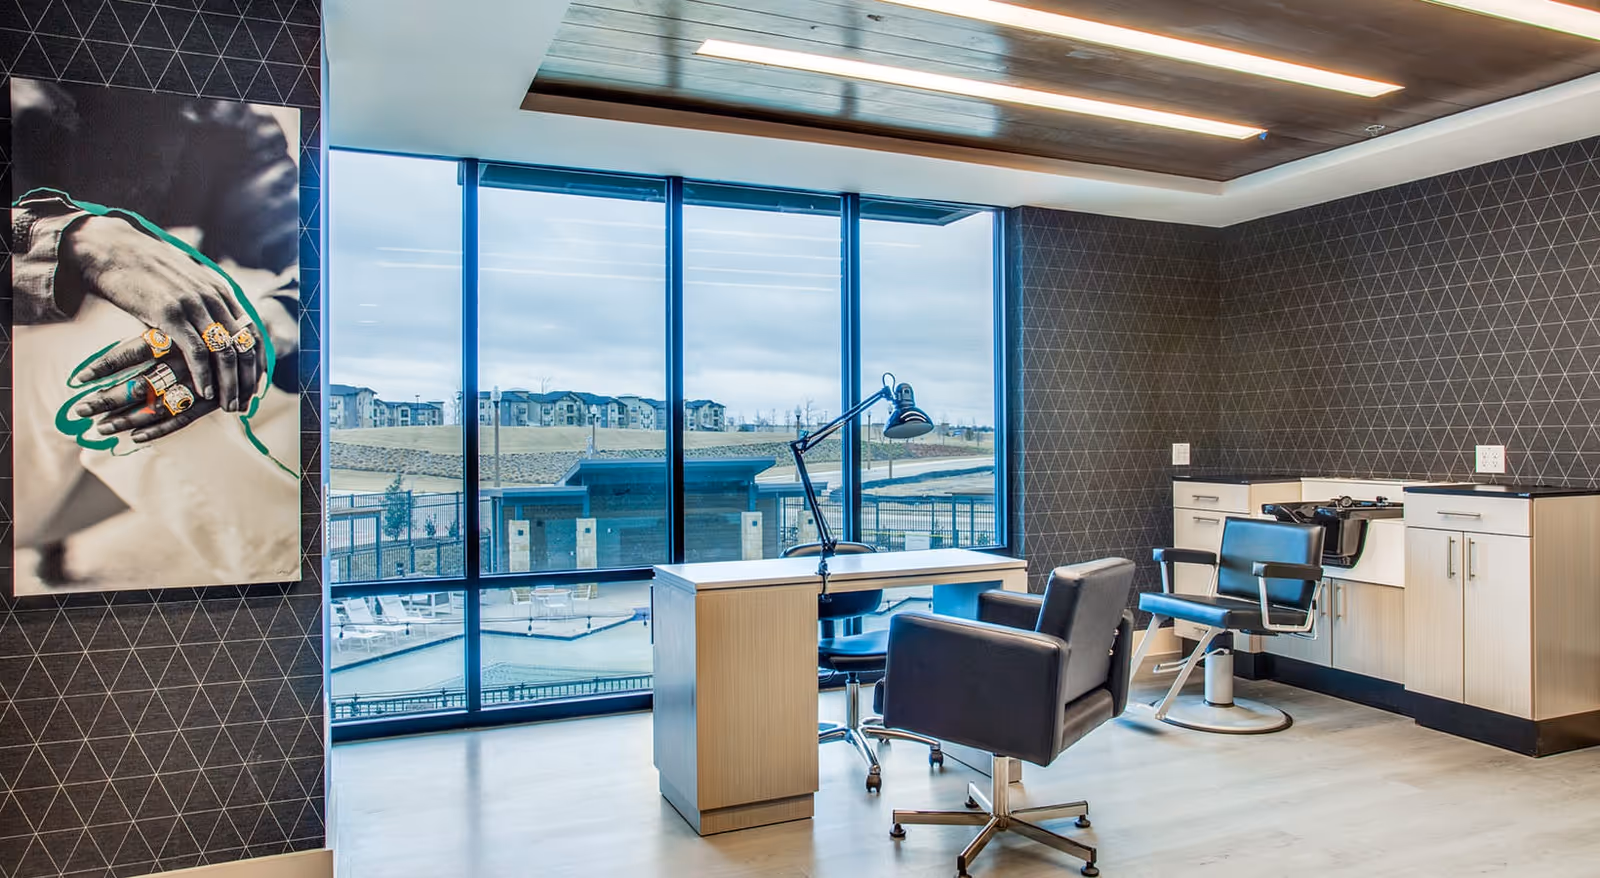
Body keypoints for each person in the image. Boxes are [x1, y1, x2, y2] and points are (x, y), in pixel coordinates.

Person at [9, 77, 302, 589]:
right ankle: (296, 581)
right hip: (28, 436)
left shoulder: (221, 119)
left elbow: (311, 260)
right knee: (131, 349)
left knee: (216, 337)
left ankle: (296, 580)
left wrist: (269, 322)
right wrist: (73, 242)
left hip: (71, 462)